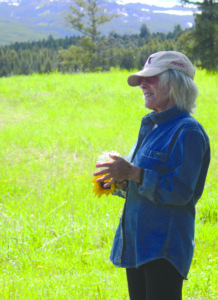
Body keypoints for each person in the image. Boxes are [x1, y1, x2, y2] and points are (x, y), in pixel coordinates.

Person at [93, 51, 210, 300]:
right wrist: (119, 181)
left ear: (176, 82)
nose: (143, 85)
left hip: (163, 247)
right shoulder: (151, 126)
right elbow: (141, 180)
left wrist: (133, 172)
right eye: (141, 80)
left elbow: (181, 192)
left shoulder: (188, 131)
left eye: (151, 78)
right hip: (137, 243)